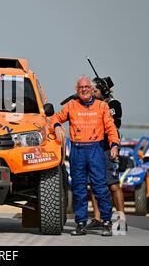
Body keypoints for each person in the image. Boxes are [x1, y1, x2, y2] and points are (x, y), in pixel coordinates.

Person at [51, 76, 119, 236]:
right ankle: (81, 224)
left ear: (91, 89)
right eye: (81, 87)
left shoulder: (102, 106)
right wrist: (57, 127)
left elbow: (111, 128)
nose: (84, 89)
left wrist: (114, 145)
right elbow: (54, 117)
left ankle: (107, 223)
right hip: (77, 150)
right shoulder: (71, 106)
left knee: (100, 188)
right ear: (77, 89)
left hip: (96, 150)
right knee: (79, 189)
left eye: (87, 87)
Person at [86, 82, 127, 233]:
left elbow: (112, 120)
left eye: (95, 90)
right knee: (95, 185)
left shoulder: (114, 104)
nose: (92, 93)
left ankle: (121, 219)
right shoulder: (91, 105)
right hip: (94, 149)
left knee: (113, 184)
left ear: (103, 91)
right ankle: (98, 219)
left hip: (109, 149)